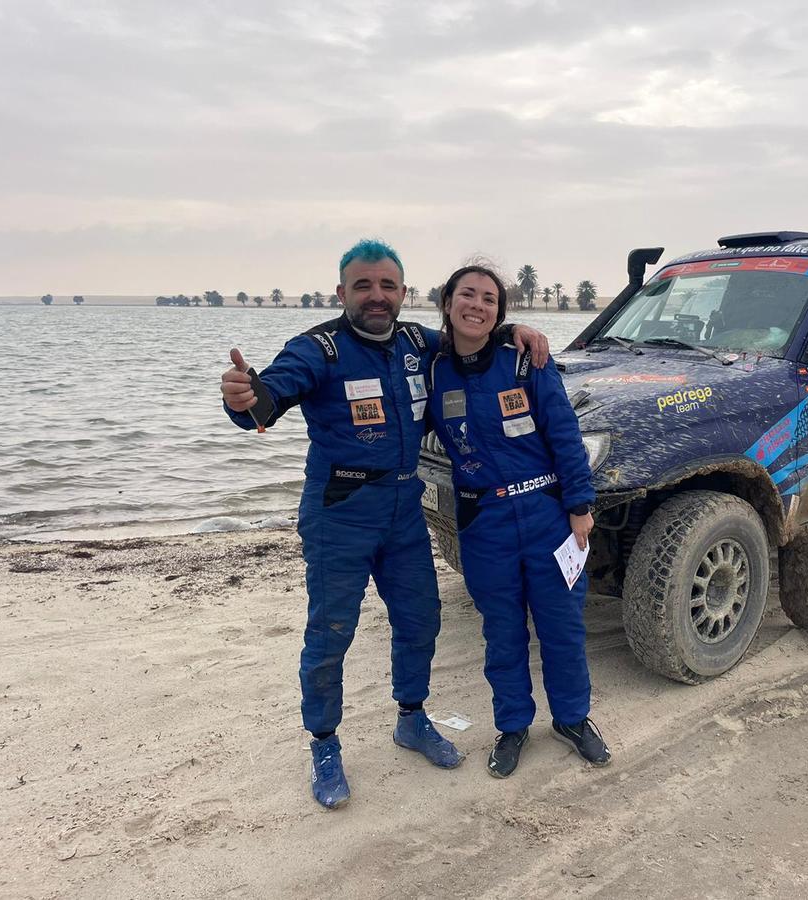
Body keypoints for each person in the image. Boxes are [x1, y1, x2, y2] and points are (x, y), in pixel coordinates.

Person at [219, 239, 550, 809]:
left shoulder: (419, 344)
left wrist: (516, 331)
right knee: (331, 634)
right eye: (364, 285)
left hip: (402, 508)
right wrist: (245, 397)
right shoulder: (317, 349)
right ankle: (324, 743)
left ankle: (412, 718)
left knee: (422, 619)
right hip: (338, 514)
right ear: (342, 291)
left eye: (388, 286)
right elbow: (267, 398)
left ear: (404, 293)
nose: (377, 296)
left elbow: (473, 334)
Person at [426, 264, 610, 778]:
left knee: (562, 628)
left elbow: (565, 433)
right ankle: (513, 727)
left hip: (547, 516)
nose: (477, 306)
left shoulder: (527, 360)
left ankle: (573, 720)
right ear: (447, 301)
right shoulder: (432, 367)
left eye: (490, 299)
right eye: (468, 294)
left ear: (500, 313)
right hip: (485, 523)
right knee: (502, 633)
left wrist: (579, 506)